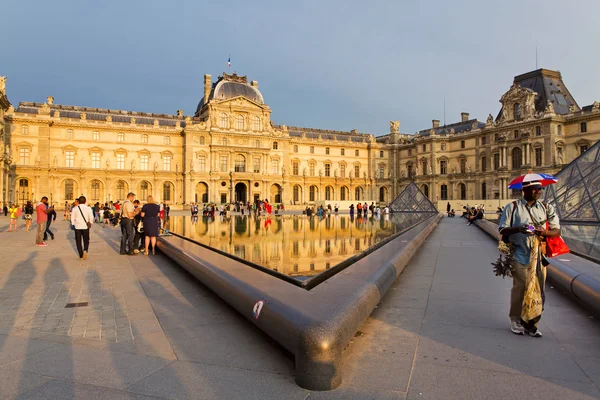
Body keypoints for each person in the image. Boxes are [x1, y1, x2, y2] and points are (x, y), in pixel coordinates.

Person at [498, 180, 560, 337]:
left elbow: (556, 231)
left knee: (538, 289)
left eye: (540, 189)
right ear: (525, 190)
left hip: (539, 256)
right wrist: (519, 228)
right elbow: (502, 229)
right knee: (522, 286)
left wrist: (543, 232)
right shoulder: (512, 207)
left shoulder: (547, 208)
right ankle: (516, 319)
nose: (538, 191)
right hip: (518, 253)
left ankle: (532, 322)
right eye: (535, 189)